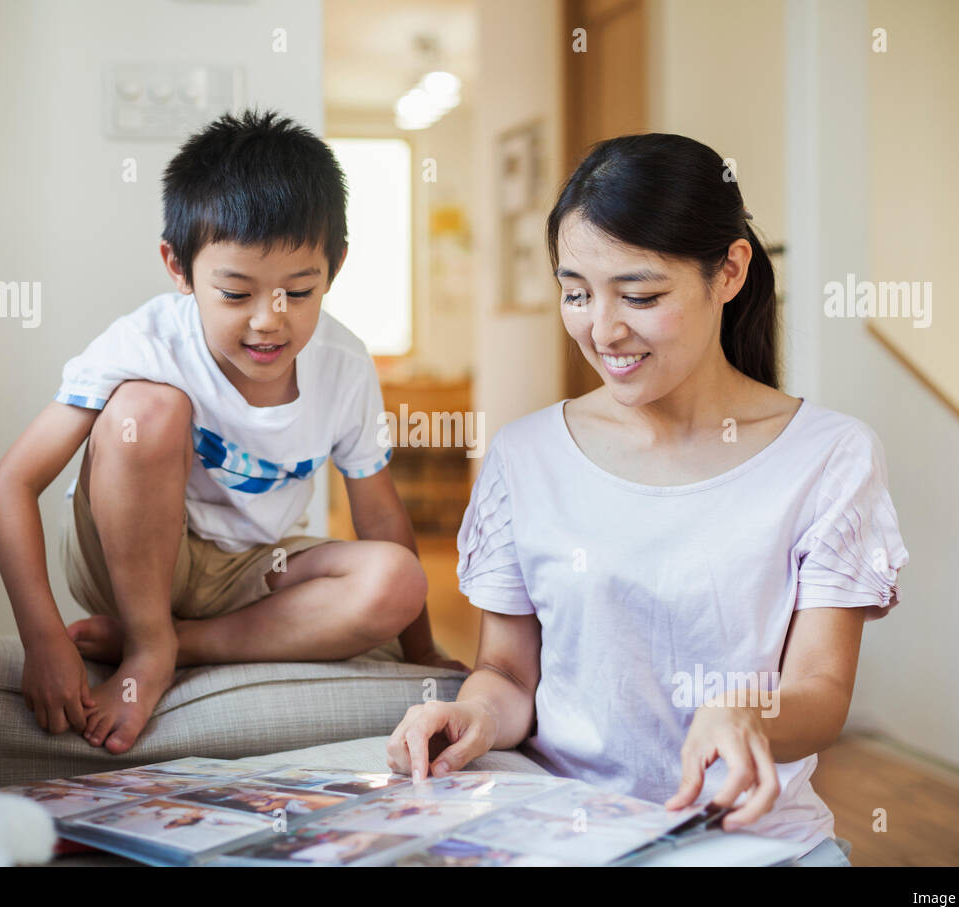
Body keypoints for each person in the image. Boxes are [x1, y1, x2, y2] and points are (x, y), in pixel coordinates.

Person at [386, 132, 910, 865]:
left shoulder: (829, 455)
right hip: (567, 836)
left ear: (729, 270)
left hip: (754, 844)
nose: (603, 330)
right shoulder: (525, 455)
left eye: (641, 295)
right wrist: (470, 713)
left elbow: (820, 690)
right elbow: (507, 673)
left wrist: (745, 714)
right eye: (576, 293)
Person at [0, 109, 461, 756]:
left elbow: (378, 515)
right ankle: (149, 647)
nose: (270, 320)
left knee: (399, 579)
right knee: (144, 412)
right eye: (236, 294)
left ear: (335, 268)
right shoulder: (146, 341)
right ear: (178, 269)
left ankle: (181, 641)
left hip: (251, 574)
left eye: (299, 290)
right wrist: (41, 639)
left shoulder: (344, 367)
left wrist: (422, 650)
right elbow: (10, 484)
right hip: (134, 560)